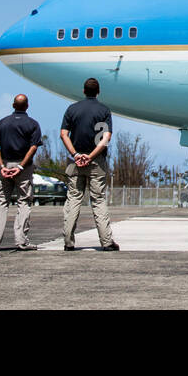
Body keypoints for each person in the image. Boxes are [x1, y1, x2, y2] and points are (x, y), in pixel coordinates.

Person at [60, 78, 118, 251]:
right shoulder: (103, 110)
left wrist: (76, 155)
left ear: (83, 91)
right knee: (98, 201)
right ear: (98, 92)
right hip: (96, 163)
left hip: (75, 162)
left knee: (73, 201)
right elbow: (105, 137)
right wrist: (91, 156)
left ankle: (68, 242)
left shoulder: (72, 109)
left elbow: (64, 134)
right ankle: (106, 242)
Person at [0, 93, 42, 251]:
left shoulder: (2, 123)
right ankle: (21, 241)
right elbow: (33, 147)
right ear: (27, 106)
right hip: (23, 168)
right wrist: (21, 167)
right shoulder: (33, 124)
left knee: (1, 203)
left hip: (4, 165)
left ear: (13, 105)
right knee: (23, 202)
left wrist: (1, 166)